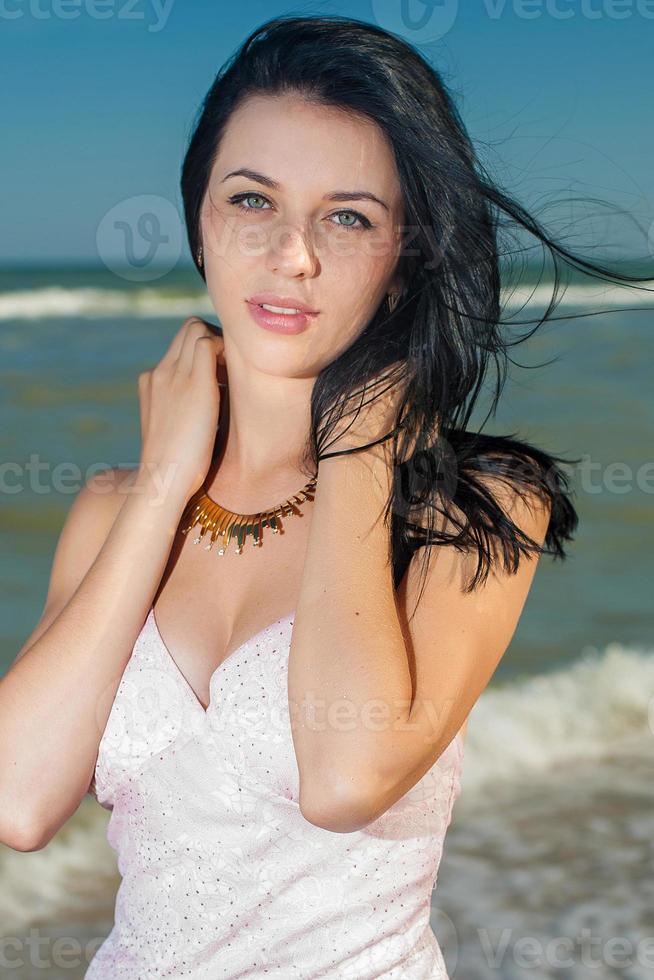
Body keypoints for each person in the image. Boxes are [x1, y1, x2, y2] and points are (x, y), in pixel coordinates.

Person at [2, 13, 650, 980]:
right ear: (199, 221)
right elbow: (18, 799)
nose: (292, 254)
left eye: (348, 217)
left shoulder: (477, 507)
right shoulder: (112, 507)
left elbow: (345, 780)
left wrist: (359, 445)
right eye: (252, 200)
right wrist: (165, 483)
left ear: (405, 257)